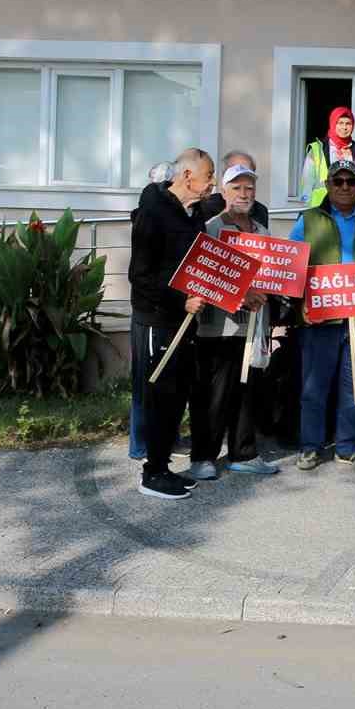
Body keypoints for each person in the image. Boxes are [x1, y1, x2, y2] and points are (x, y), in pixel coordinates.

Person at [287, 159, 355, 471]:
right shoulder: (309, 219)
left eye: (350, 182)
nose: (344, 187)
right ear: (328, 185)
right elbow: (292, 265)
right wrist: (300, 301)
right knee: (315, 385)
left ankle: (348, 446)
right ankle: (310, 446)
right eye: (338, 181)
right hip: (321, 317)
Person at [130, 148, 215, 499]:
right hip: (157, 320)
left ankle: (164, 466)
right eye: (208, 176)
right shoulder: (153, 212)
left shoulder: (190, 213)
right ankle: (152, 473)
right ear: (187, 177)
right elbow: (140, 275)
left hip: (185, 321)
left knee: (176, 393)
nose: (212, 183)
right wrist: (181, 299)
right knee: (158, 394)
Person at [190, 163, 280, 480]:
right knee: (214, 394)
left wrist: (271, 290)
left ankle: (243, 452)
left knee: (246, 391)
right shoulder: (212, 227)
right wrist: (242, 293)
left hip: (252, 327)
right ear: (225, 192)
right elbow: (205, 274)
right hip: (218, 326)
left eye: (250, 188)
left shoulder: (262, 231)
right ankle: (203, 456)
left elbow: (274, 274)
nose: (245, 193)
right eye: (237, 187)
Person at [300, 107, 355, 207]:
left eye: (348, 123)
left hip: (352, 208)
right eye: (340, 123)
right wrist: (307, 209)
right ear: (333, 123)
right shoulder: (318, 149)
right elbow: (307, 184)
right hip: (321, 208)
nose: (344, 127)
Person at [199, 149, 270, 227]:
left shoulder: (261, 211)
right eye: (235, 172)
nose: (242, 194)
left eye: (247, 173)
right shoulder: (206, 206)